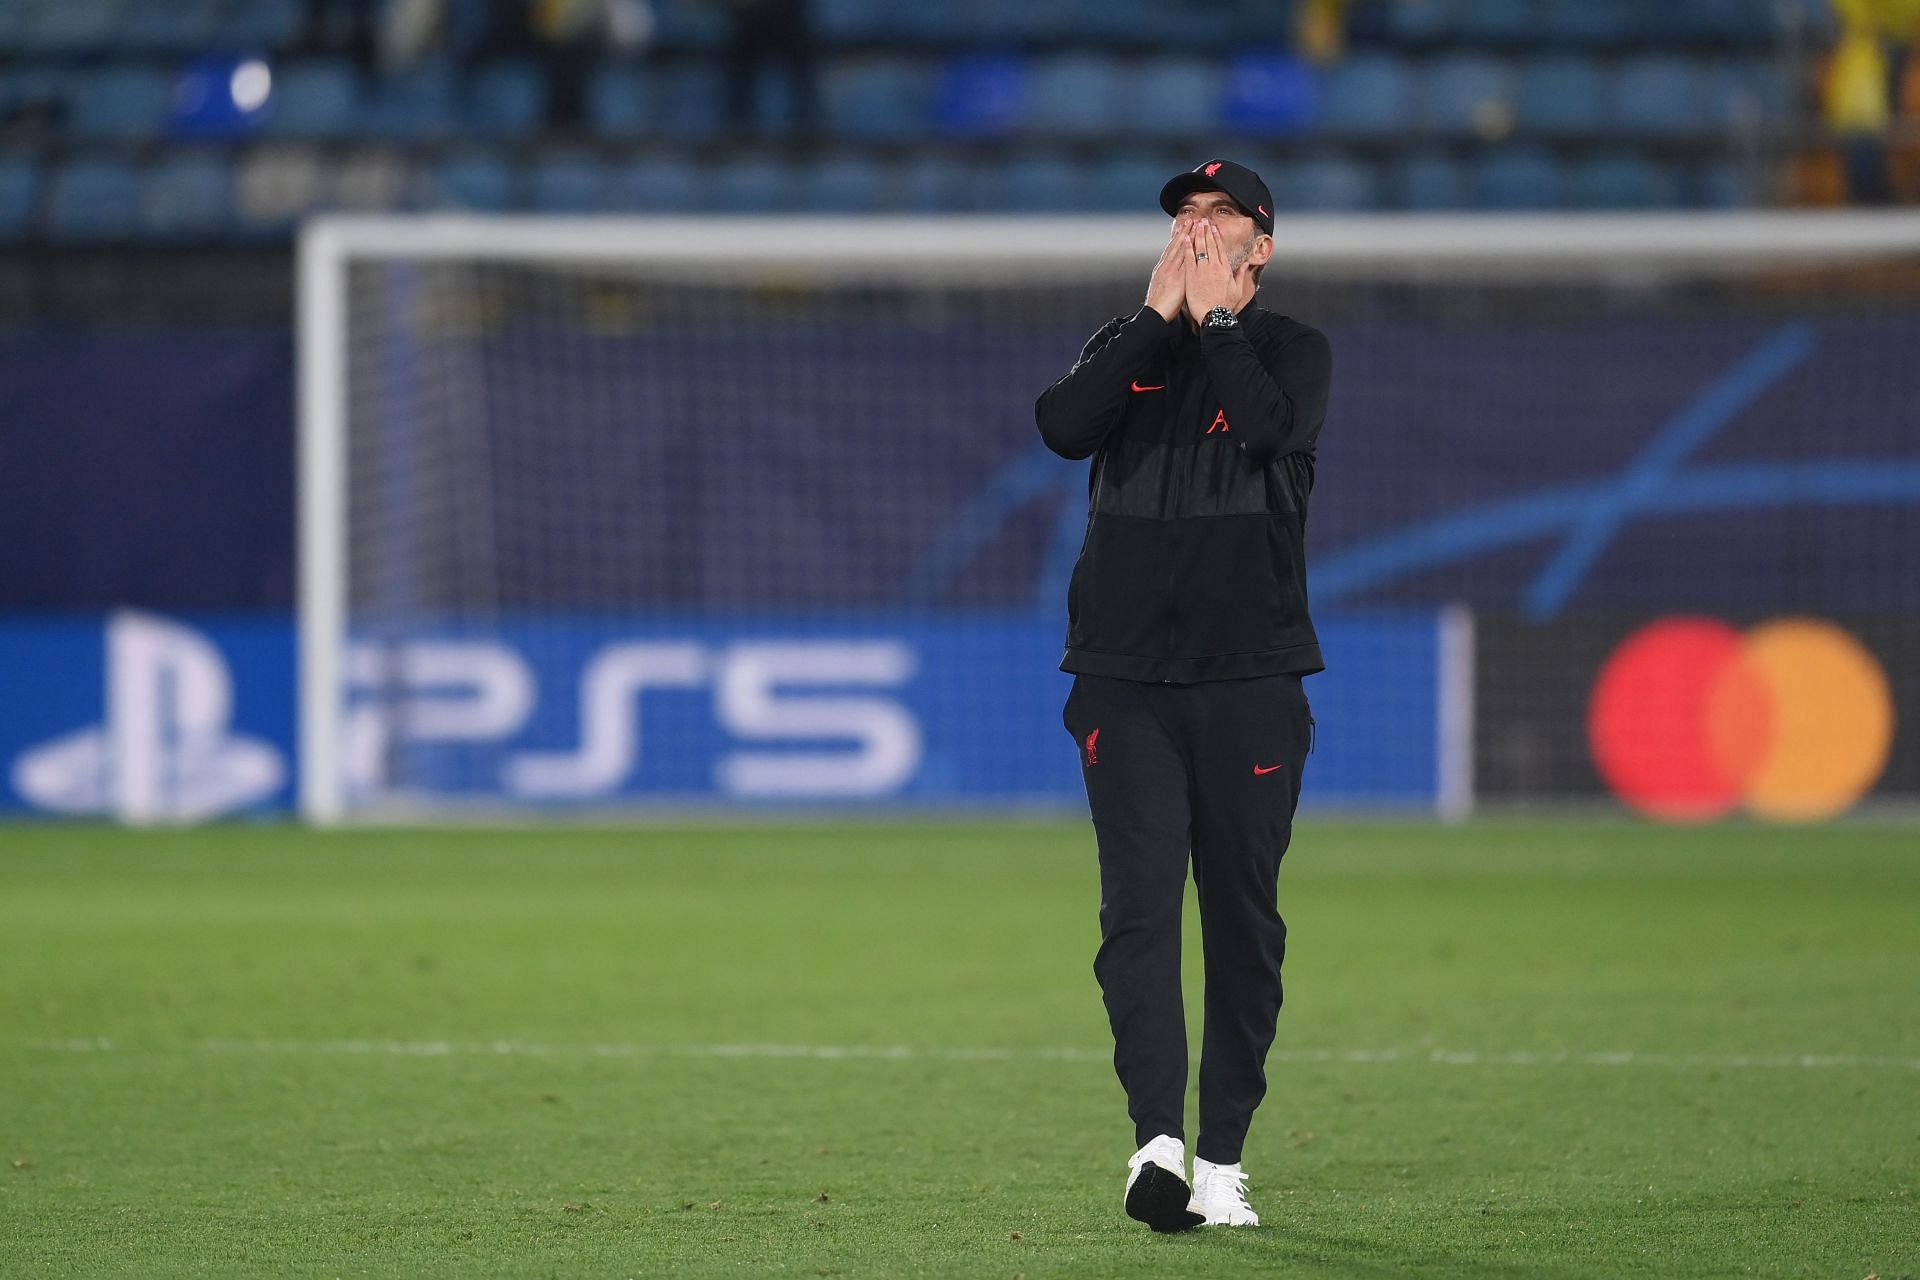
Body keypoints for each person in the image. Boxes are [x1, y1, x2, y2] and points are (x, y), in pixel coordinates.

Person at [1034, 159, 1332, 1233]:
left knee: (1243, 925)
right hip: (1122, 677)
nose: (1197, 229)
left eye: (1221, 215)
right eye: (1183, 217)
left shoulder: (1294, 349)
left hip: (1251, 679)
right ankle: (1155, 1141)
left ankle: (1223, 1158)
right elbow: (1064, 426)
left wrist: (1213, 327)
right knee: (1139, 908)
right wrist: (1157, 322)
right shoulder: (1129, 344)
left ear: (1261, 245)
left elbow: (1266, 430)